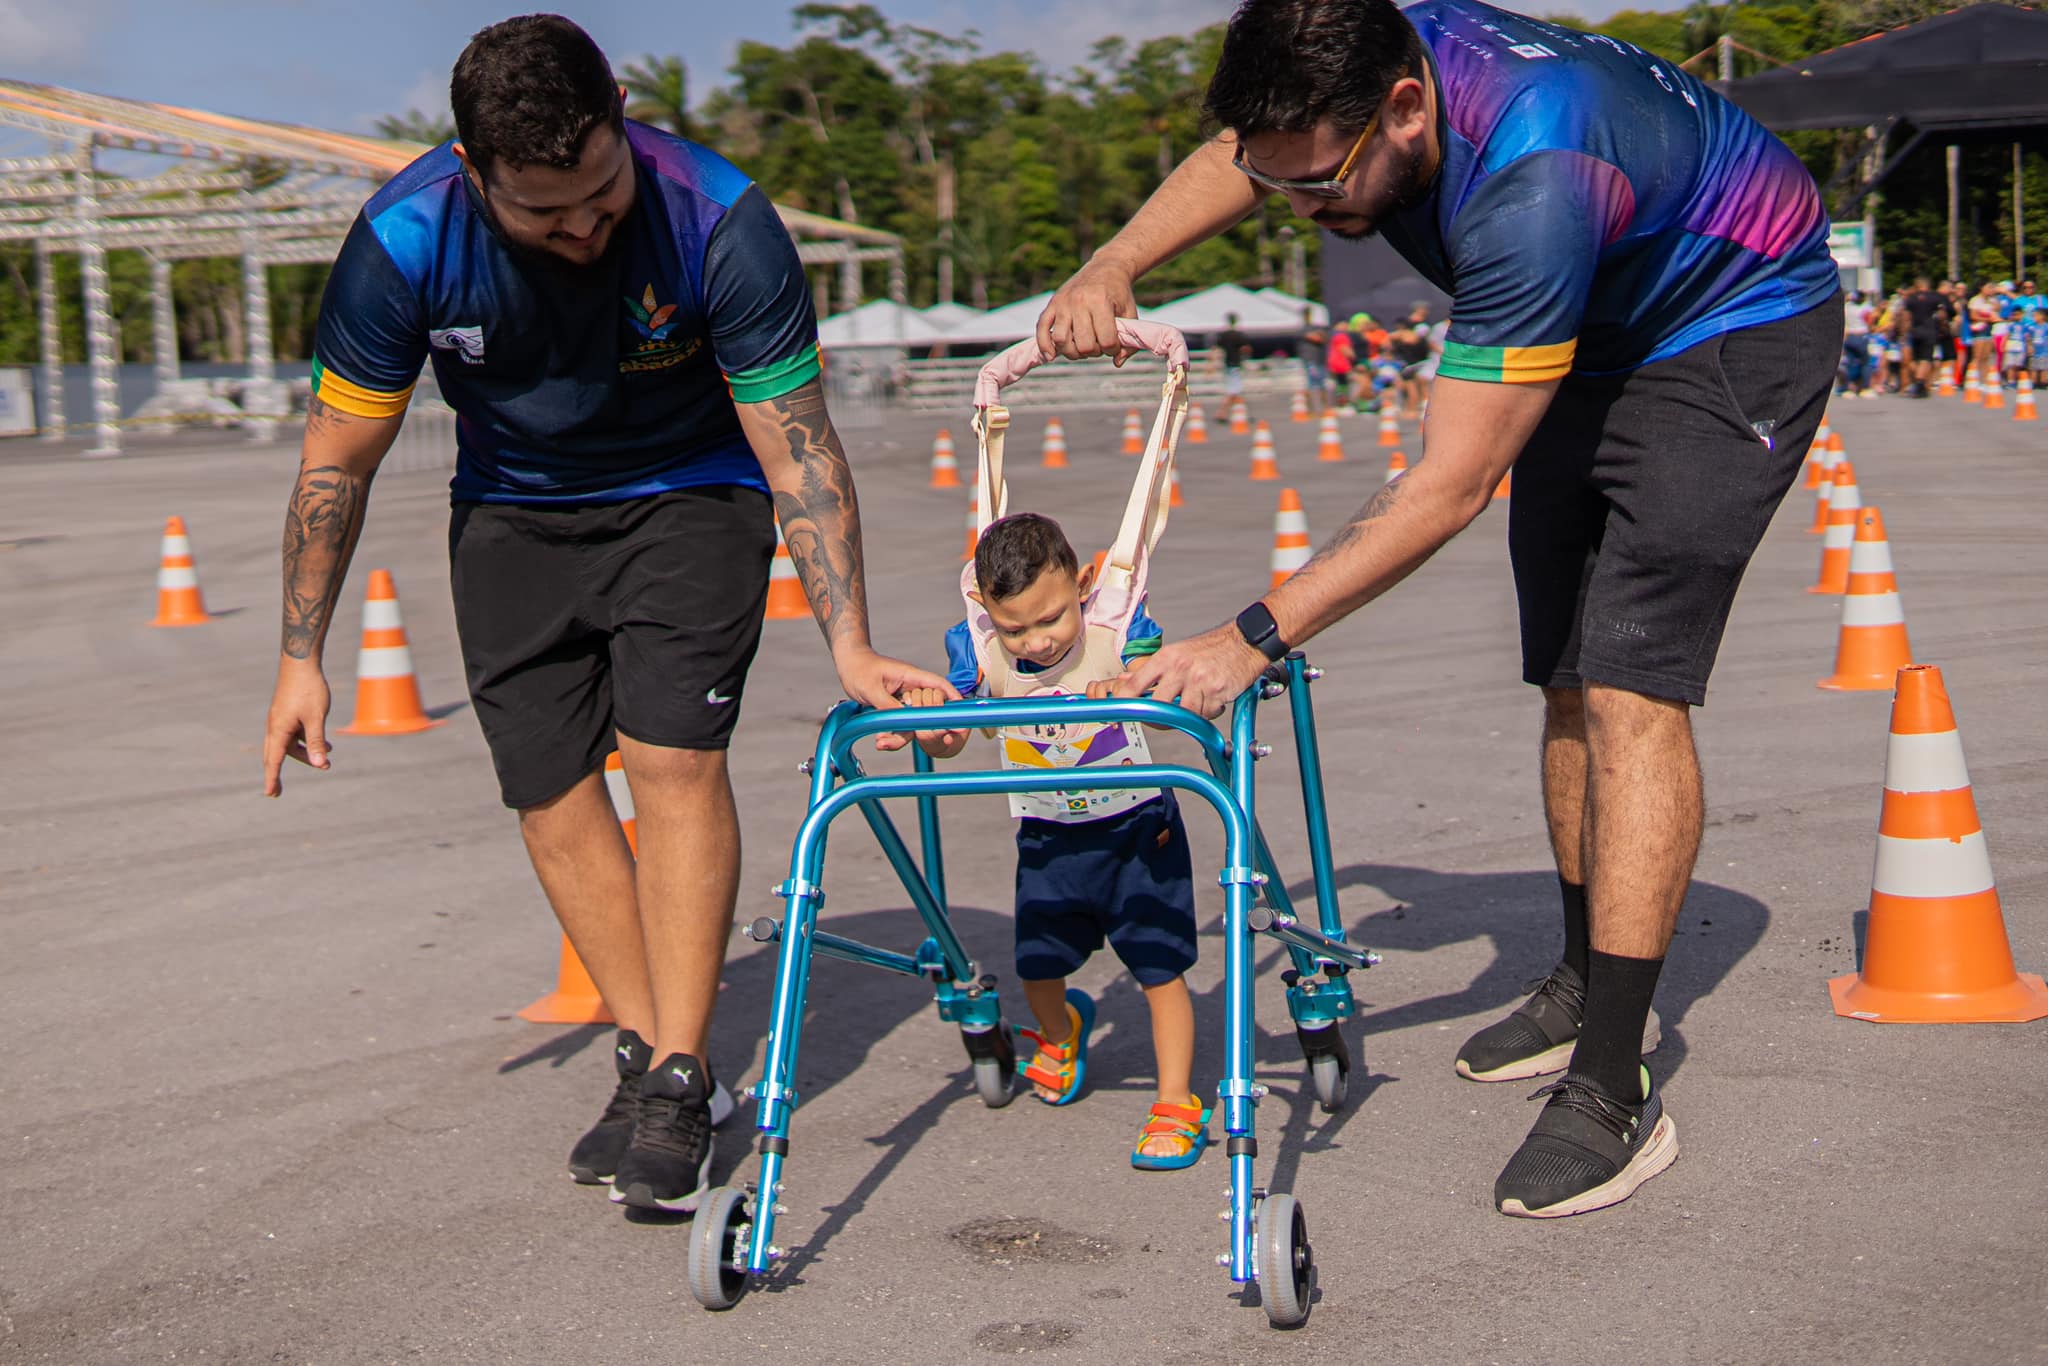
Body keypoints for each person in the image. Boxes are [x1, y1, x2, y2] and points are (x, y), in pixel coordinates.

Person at [1036, 0, 1840, 1218]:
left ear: (1406, 108)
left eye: (1323, 186)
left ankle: (1614, 1084)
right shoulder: (1352, 51)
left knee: (1629, 684)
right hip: (1597, 324)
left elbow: (1445, 486)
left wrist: (1248, 638)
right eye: (1282, 185)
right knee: (1563, 674)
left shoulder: (1534, 180)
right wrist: (1111, 262)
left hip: (1729, 325)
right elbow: (1244, 154)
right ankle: (1581, 969)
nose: (1304, 212)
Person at [260, 15, 950, 1216]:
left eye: (598, 192)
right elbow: (336, 466)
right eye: (544, 213)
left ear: (623, 111)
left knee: (670, 757)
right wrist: (299, 657)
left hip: (688, 492)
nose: (582, 227)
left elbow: (797, 455)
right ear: (473, 170)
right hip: (513, 513)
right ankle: (642, 1055)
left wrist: (847, 641)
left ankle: (686, 1075)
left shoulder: (716, 220)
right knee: (546, 785)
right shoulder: (404, 239)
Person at [901, 514, 1210, 1170]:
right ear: (986, 612)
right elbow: (953, 735)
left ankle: (1178, 1098)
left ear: (1084, 585)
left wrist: (1127, 686)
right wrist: (925, 727)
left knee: (1159, 968)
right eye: (1015, 627)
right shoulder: (982, 655)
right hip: (1047, 835)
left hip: (1135, 832)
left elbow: (1154, 674)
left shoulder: (1113, 637)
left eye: (1051, 619)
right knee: (1038, 963)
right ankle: (1063, 1030)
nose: (1037, 642)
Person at [1900, 276, 1948, 397]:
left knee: (1914, 359)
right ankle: (1920, 383)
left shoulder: (1910, 299)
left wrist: (1904, 332)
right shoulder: (1935, 297)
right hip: (1929, 330)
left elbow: (1906, 317)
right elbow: (1942, 315)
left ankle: (1918, 382)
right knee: (1926, 359)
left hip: (1915, 331)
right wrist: (1942, 326)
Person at [1298, 306, 1332, 412]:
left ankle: (1326, 408)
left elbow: (1325, 338)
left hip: (1320, 360)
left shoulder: (1316, 327)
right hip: (1310, 360)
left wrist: (1320, 335)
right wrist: (1319, 335)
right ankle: (1311, 409)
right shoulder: (1302, 329)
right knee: (1312, 384)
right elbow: (1316, 338)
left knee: (1322, 384)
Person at [1839, 290, 1871, 397]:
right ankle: (1864, 388)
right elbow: (1870, 321)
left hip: (1850, 336)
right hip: (1861, 335)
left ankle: (1849, 387)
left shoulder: (1847, 307)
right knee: (1865, 363)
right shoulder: (1866, 307)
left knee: (1850, 363)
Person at [1217, 312, 1251, 397]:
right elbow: (1245, 348)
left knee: (1230, 379)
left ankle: (1232, 393)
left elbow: (1218, 346)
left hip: (1228, 360)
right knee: (1235, 379)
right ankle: (1234, 394)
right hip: (1236, 360)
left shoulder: (1224, 335)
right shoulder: (1239, 335)